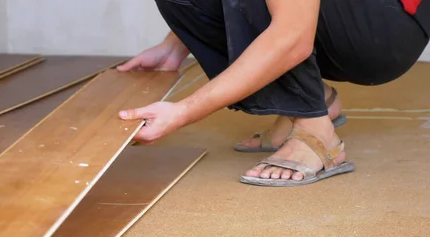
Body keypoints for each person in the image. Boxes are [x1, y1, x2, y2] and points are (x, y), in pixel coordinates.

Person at [116, 0, 430, 187]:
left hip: (387, 24)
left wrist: (183, 111)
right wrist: (175, 45)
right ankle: (310, 98)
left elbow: (292, 36)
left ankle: (315, 129)